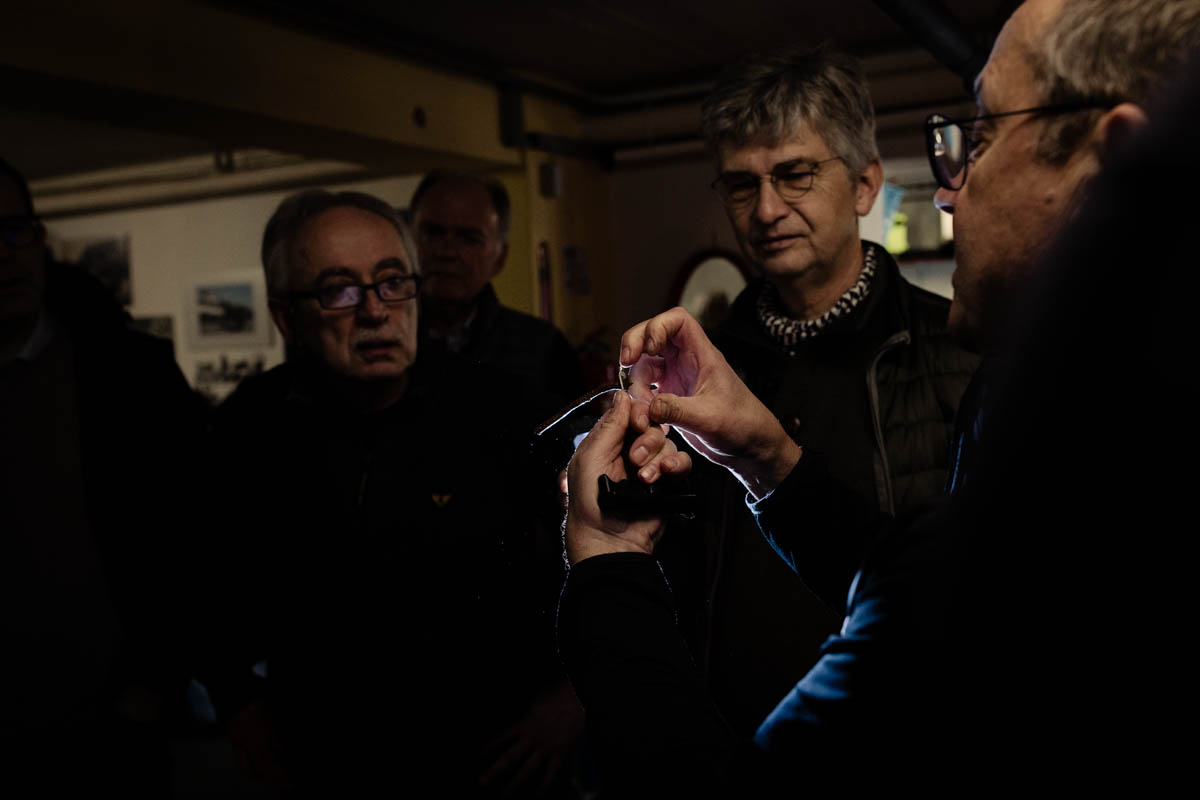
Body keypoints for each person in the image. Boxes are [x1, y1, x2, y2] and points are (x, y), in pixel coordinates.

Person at [557, 0, 1200, 793]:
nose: (945, 193)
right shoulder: (1052, 400)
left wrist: (608, 570)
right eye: (742, 185)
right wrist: (766, 460)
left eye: (982, 137)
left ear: (1114, 165)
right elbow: (931, 598)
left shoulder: (1039, 422)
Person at [200, 189, 580, 797]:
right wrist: (238, 702)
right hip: (326, 761)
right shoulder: (251, 427)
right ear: (286, 317)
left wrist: (574, 694)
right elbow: (201, 582)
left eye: (392, 282)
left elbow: (610, 551)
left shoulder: (501, 411)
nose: (375, 311)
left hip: (495, 762)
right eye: (339, 290)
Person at [669, 44, 978, 735]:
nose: (765, 209)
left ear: (865, 185)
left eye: (794, 174)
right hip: (735, 740)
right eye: (741, 185)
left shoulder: (959, 353)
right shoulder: (703, 365)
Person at [0, 157, 206, 793]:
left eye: (16, 230)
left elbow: (197, 528)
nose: (5, 253)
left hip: (112, 731)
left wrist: (154, 683)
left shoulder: (128, 375)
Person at [410, 170, 585, 416]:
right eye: (432, 233)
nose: (447, 252)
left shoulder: (544, 349)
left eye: (469, 238)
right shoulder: (381, 341)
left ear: (500, 257)